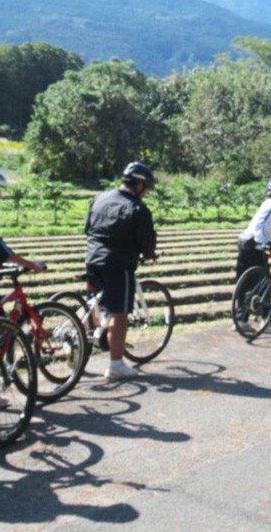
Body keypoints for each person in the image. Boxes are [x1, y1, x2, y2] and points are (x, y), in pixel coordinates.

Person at [84, 161, 158, 380]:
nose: (146, 193)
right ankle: (116, 365)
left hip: (92, 259)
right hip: (118, 265)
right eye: (146, 188)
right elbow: (146, 241)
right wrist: (149, 253)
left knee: (93, 306)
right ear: (139, 185)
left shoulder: (99, 198)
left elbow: (88, 229)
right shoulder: (137, 208)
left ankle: (76, 345)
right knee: (120, 313)